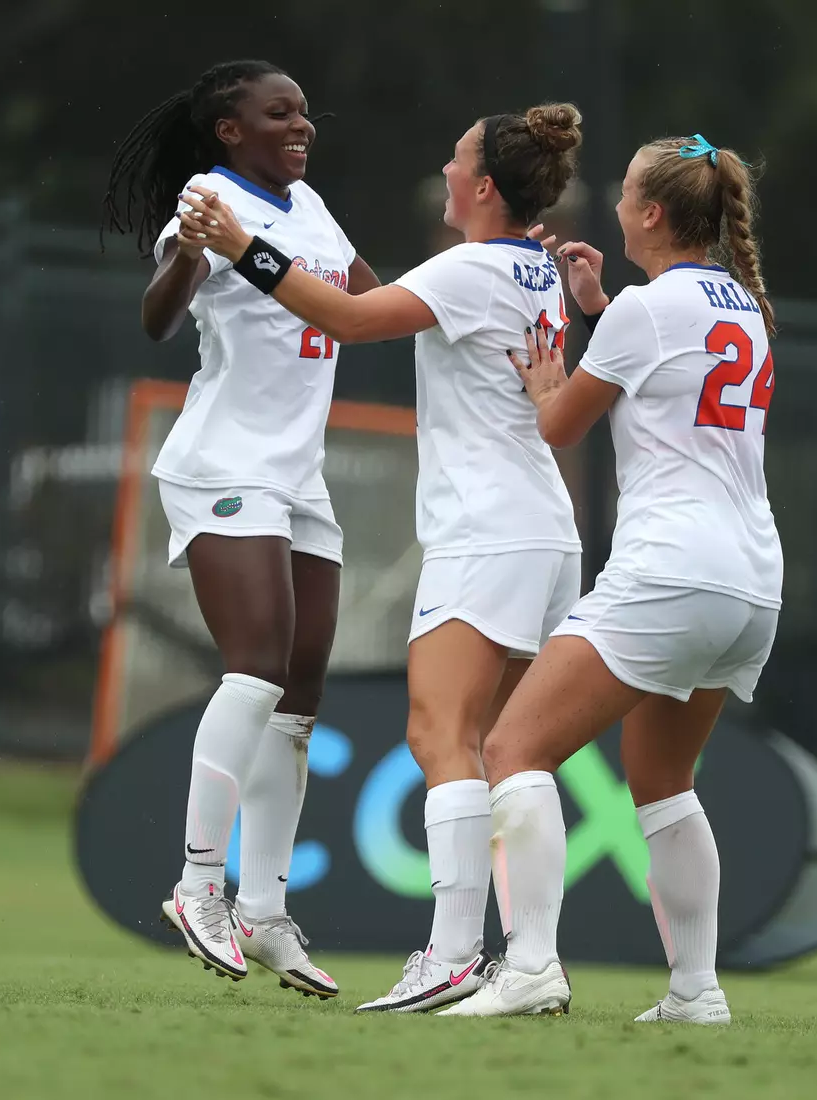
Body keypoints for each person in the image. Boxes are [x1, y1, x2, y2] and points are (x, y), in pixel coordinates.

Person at [177, 102, 584, 1013]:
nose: (442, 170)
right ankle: (530, 965)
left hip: (485, 533)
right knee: (508, 753)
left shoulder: (476, 266)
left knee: (441, 739)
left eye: (454, 158)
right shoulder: (534, 267)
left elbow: (350, 319)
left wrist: (245, 244)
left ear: (482, 187)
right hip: (544, 533)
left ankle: (448, 954)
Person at [439, 134, 781, 1022]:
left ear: (652, 214)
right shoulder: (737, 303)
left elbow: (558, 427)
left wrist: (550, 379)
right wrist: (599, 310)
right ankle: (695, 991)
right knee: (664, 780)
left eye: (625, 191)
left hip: (672, 570)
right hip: (750, 580)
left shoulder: (646, 310)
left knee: (514, 750)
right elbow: (666, 374)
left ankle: (531, 967)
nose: (615, 202)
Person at [101, 60, 381, 1000]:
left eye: (304, 109)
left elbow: (363, 301)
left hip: (298, 475)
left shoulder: (308, 202)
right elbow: (156, 320)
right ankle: (196, 886)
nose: (301, 124)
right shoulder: (211, 198)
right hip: (224, 464)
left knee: (297, 702)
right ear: (230, 130)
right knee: (255, 665)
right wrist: (185, 252)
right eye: (279, 112)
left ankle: (263, 910)